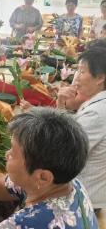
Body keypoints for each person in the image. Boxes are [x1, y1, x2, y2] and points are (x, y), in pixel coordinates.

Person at [57, 47, 106, 211]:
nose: (76, 78)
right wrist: (60, 104)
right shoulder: (97, 103)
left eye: (82, 71)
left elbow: (60, 149)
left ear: (100, 78)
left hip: (82, 200)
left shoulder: (97, 113)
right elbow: (71, 130)